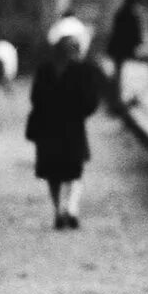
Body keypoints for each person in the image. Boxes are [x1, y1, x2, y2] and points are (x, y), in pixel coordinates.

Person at [25, 34, 104, 230]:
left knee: (53, 174)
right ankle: (72, 208)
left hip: (47, 128)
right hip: (73, 128)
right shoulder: (84, 70)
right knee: (74, 172)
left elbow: (35, 98)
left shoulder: (45, 70)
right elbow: (91, 102)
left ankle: (59, 210)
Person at [105, 0, 146, 105]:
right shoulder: (132, 16)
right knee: (121, 73)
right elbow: (135, 36)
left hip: (116, 49)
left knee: (118, 73)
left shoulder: (120, 12)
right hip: (125, 49)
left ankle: (116, 98)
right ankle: (119, 99)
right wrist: (138, 46)